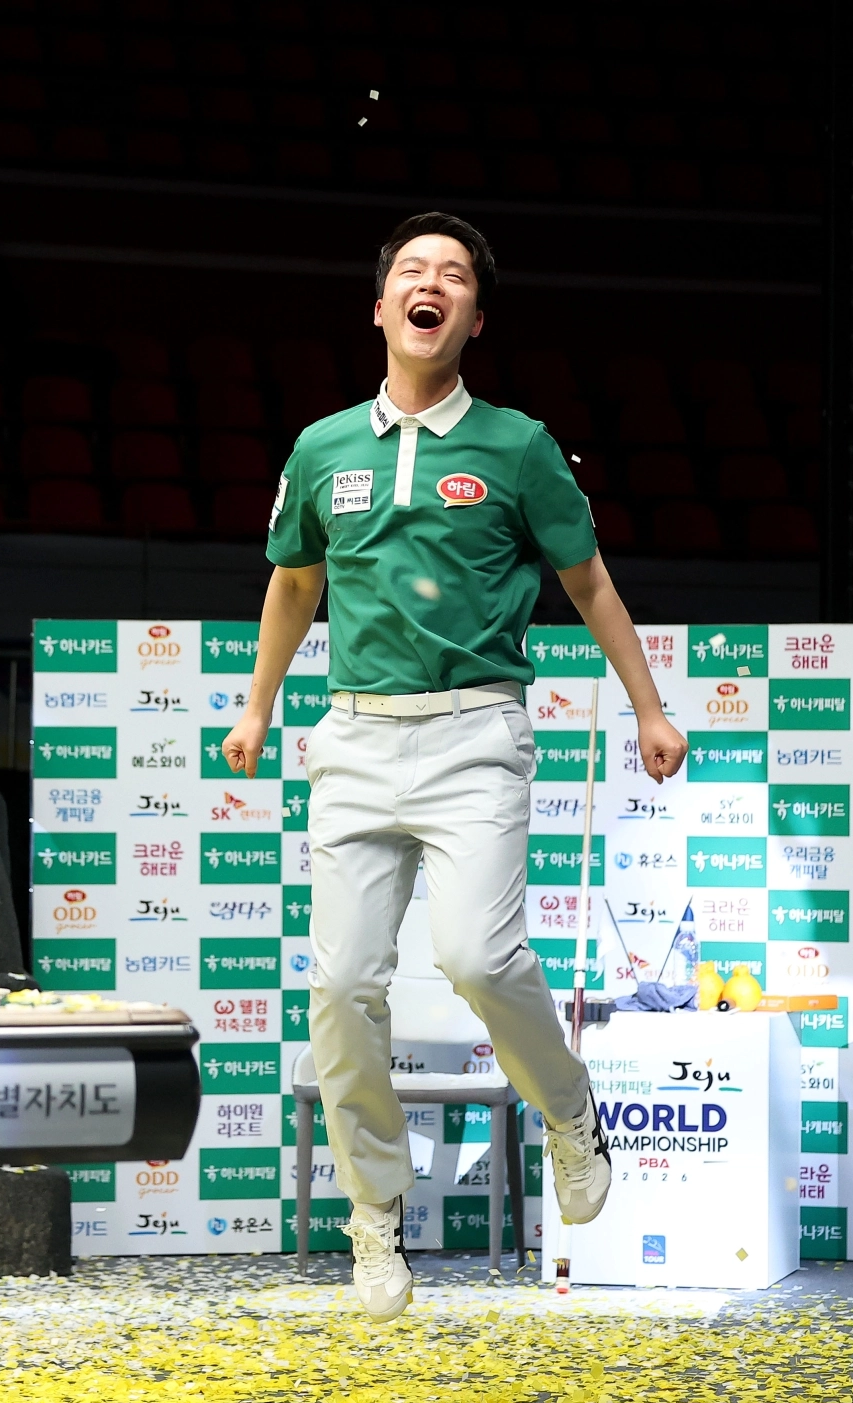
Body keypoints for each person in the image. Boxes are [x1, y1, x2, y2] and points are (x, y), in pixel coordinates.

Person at [223, 212, 688, 1321]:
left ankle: (572, 1114)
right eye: (411, 272)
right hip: (354, 736)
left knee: (479, 956)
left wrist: (650, 710)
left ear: (475, 317)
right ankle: (374, 1225)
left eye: (455, 277)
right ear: (380, 307)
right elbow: (294, 587)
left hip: (477, 731)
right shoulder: (323, 448)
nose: (431, 286)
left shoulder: (520, 446)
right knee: (340, 988)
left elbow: (591, 587)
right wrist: (258, 705)